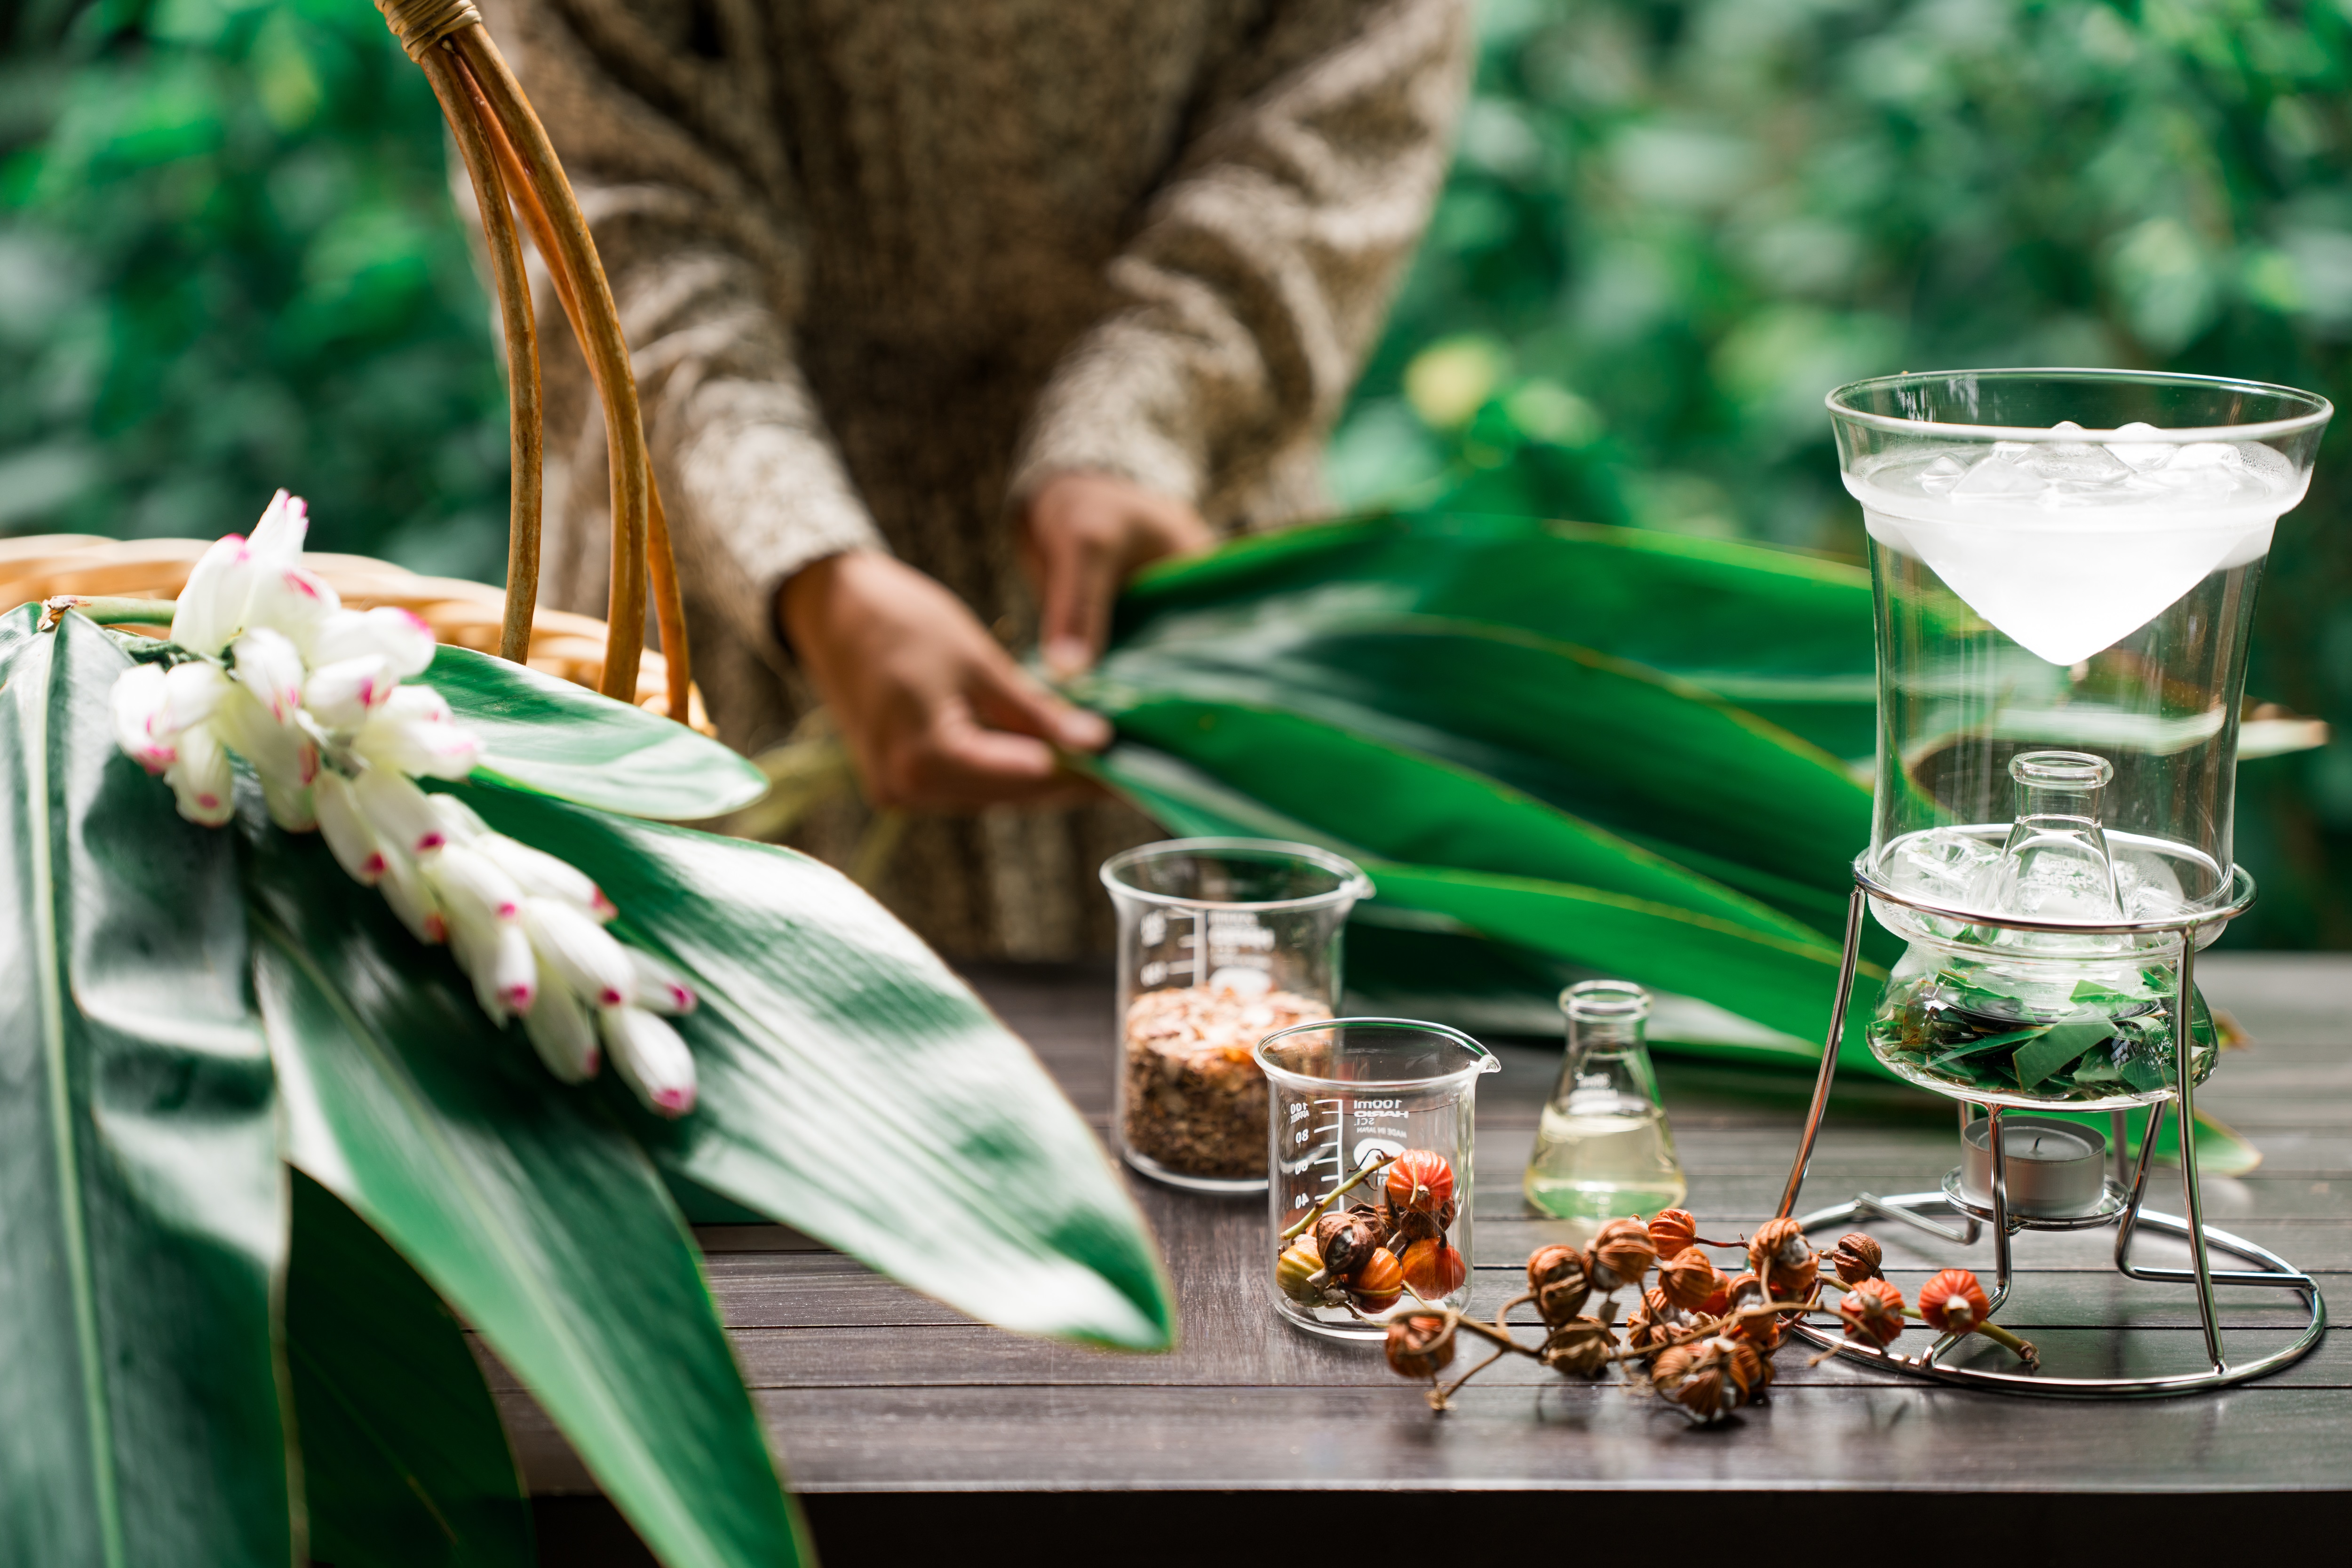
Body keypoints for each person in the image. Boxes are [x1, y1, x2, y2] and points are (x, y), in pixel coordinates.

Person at [485, 0, 1469, 959]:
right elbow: (599, 197)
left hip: (1168, 591)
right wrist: (798, 553)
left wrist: (1143, 419)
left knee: (1208, 1072)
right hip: (721, 634)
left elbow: (1341, 104)